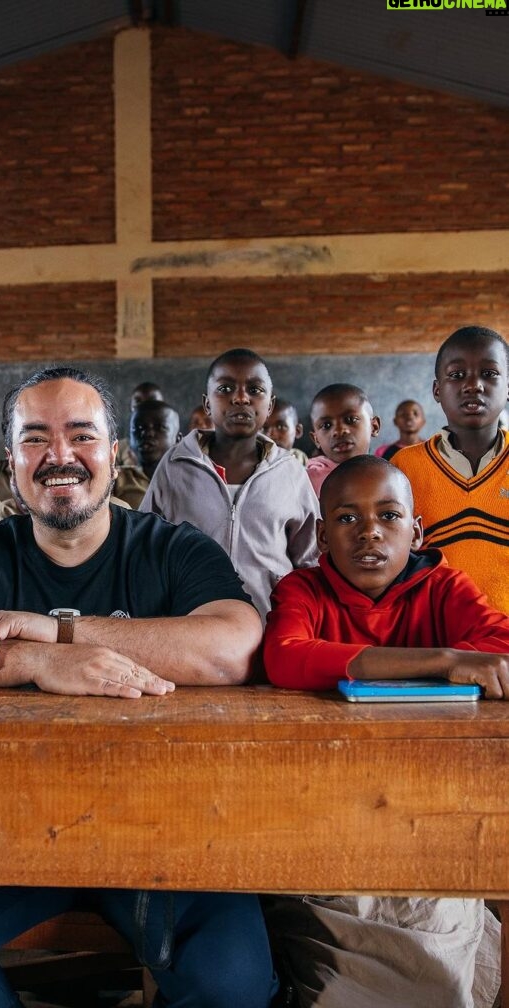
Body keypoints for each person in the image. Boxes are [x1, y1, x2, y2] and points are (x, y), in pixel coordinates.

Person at [0, 365, 276, 1008]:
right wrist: (35, 663)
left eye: (81, 435)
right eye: (35, 438)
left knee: (235, 985)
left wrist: (58, 633)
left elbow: (233, 648)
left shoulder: (172, 550)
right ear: (10, 462)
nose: (60, 456)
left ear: (113, 454)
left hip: (161, 824)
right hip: (10, 827)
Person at [262, 456, 505, 1008]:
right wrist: (439, 660)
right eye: (347, 519)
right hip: (328, 806)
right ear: (322, 535)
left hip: (432, 805)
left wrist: (453, 656)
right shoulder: (304, 589)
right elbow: (286, 658)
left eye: (389, 515)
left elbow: (501, 646)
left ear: (416, 529)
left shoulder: (443, 587)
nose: (370, 531)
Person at [140, 348, 319, 621]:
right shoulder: (176, 464)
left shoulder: (290, 471)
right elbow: (146, 545)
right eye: (225, 388)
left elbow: (310, 560)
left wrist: (297, 618)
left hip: (270, 627)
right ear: (207, 403)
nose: (240, 398)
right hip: (189, 624)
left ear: (269, 406)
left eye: (255, 390)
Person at [392, 325, 509, 615]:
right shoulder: (403, 469)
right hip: (437, 640)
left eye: (489, 374)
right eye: (457, 375)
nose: (474, 385)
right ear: (437, 390)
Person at [305, 383, 381, 497]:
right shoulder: (307, 482)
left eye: (351, 419)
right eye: (326, 425)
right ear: (316, 439)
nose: (339, 431)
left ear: (374, 426)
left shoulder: (386, 476)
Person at [113, 399, 181, 510]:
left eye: (160, 427)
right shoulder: (116, 479)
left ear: (178, 440)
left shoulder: (189, 480)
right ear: (129, 439)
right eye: (139, 428)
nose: (147, 433)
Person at [264, 398, 308, 466]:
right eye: (264, 428)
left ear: (297, 431)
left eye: (280, 427)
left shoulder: (300, 458)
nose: (271, 435)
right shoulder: (253, 464)